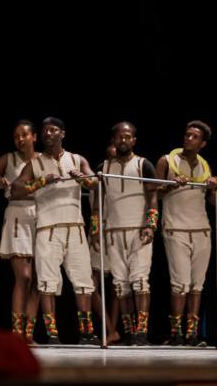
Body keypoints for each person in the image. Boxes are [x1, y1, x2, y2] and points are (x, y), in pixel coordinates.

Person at [11, 117, 100, 345]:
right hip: (48, 229)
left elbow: (96, 183)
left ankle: (86, 333)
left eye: (53, 130)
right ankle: (52, 334)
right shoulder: (35, 164)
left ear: (62, 133)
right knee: (47, 284)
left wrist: (84, 180)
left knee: (83, 282)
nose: (48, 134)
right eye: (45, 131)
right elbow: (16, 189)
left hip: (75, 228)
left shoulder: (77, 159)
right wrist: (40, 182)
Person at [156, 120, 217, 346]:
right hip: (176, 228)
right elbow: (154, 192)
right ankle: (176, 334)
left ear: (203, 143)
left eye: (194, 137)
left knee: (197, 285)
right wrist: (170, 184)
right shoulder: (167, 160)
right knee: (180, 283)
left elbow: (213, 201)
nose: (188, 139)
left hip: (201, 229)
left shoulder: (205, 165)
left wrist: (216, 185)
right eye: (187, 134)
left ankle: (191, 334)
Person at [93, 122, 158, 345]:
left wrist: (150, 225)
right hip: (113, 230)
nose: (123, 140)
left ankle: (142, 332)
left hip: (138, 230)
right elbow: (97, 203)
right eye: (119, 136)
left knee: (140, 281)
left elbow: (152, 198)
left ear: (134, 140)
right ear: (114, 139)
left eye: (127, 136)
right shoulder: (103, 167)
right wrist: (95, 230)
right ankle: (130, 332)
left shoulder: (144, 165)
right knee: (121, 284)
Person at [0, 120, 41, 343]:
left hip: (41, 215)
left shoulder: (43, 159)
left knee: (38, 279)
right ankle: (16, 333)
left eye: (24, 135)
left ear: (34, 136)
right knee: (23, 276)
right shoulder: (8, 159)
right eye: (16, 136)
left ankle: (29, 334)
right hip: (17, 215)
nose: (20, 139)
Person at [88, 144, 120, 344]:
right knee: (91, 284)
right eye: (109, 157)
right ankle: (108, 328)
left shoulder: (124, 179)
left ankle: (113, 331)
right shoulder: (98, 176)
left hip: (118, 229)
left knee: (119, 284)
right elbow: (95, 208)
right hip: (99, 229)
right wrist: (94, 231)